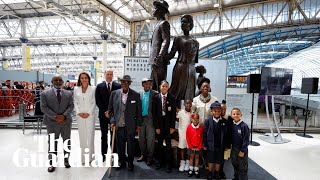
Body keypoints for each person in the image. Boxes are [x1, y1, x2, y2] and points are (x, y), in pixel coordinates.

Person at [40, 75, 74, 173]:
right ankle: (52, 162)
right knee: (52, 143)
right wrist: (56, 117)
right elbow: (44, 108)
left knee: (66, 142)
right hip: (51, 122)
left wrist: (63, 116)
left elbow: (71, 106)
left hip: (66, 121)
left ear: (63, 82)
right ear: (52, 81)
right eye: (56, 80)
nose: (58, 81)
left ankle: (66, 160)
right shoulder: (44, 94)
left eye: (60, 80)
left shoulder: (68, 93)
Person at [107, 75, 142, 171]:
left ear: (130, 83)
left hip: (130, 125)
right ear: (120, 83)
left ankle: (130, 162)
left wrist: (138, 125)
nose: (125, 84)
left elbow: (139, 111)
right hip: (119, 125)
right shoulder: (114, 94)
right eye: (123, 82)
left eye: (127, 82)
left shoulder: (136, 95)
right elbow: (110, 110)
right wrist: (112, 120)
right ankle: (121, 161)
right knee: (120, 145)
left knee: (131, 145)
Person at [166, 14, 199, 107]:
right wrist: (163, 57)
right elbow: (172, 54)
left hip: (192, 70)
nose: (182, 24)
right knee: (176, 92)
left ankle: (188, 116)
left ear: (190, 24)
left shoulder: (196, 41)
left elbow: (195, 59)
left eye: (184, 22)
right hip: (181, 68)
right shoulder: (178, 38)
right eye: (181, 22)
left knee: (189, 94)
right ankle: (175, 114)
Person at [95, 69, 121, 161]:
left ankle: (114, 154)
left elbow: (118, 101)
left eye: (111, 74)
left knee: (114, 135)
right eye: (107, 74)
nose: (109, 76)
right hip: (103, 115)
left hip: (113, 116)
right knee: (104, 135)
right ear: (104, 75)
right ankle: (104, 154)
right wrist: (105, 111)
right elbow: (98, 101)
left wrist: (111, 112)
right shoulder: (99, 87)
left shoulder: (118, 86)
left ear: (113, 75)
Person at [203, 101, 231, 180]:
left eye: (219, 111)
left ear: (221, 111)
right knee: (210, 159)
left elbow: (227, 136)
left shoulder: (225, 122)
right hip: (210, 144)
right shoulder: (208, 121)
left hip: (221, 145)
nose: (217, 112)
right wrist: (204, 144)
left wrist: (227, 146)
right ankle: (210, 172)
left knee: (219, 160)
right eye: (215, 111)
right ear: (211, 111)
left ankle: (217, 173)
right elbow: (205, 134)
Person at [153, 80, 176, 173]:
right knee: (159, 145)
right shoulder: (156, 98)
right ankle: (159, 162)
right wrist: (156, 127)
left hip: (168, 125)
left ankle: (168, 164)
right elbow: (154, 113)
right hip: (159, 125)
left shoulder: (172, 98)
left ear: (168, 87)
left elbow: (173, 113)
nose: (164, 88)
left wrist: (172, 127)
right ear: (160, 87)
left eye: (166, 86)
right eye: (163, 86)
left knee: (168, 145)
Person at [73, 72, 96, 164]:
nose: (84, 79)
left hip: (90, 116)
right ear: (79, 79)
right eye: (82, 78)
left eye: (85, 78)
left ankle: (90, 157)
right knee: (82, 136)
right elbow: (75, 101)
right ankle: (83, 158)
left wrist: (89, 113)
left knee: (90, 136)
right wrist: (78, 112)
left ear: (88, 79)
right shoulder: (76, 89)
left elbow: (95, 102)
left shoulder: (93, 89)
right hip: (80, 116)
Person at [149, 0, 170, 91]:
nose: (153, 10)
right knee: (153, 84)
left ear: (160, 10)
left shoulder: (164, 23)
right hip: (155, 60)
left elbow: (166, 40)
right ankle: (155, 104)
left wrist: (160, 56)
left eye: (155, 8)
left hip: (159, 60)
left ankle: (160, 104)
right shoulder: (158, 24)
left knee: (159, 85)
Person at [137, 77, 158, 166]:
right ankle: (143, 155)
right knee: (141, 139)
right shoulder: (139, 94)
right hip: (141, 120)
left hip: (150, 120)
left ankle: (150, 157)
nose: (147, 85)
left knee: (150, 140)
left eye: (149, 83)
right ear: (142, 84)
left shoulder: (155, 94)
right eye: (145, 83)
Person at [231, 108, 249, 180]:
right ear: (231, 115)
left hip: (241, 150)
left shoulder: (244, 126)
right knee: (235, 164)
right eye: (234, 114)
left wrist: (242, 150)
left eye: (238, 114)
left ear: (241, 115)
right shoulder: (232, 125)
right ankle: (236, 177)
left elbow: (246, 140)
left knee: (243, 167)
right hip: (234, 149)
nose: (236, 115)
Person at [176, 99, 192, 172]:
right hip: (182, 133)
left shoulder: (193, 113)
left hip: (190, 134)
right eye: (187, 103)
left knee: (189, 148)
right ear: (184, 104)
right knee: (182, 147)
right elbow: (176, 119)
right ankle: (182, 162)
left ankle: (188, 162)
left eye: (190, 104)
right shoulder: (180, 112)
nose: (188, 105)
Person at [186, 113, 204, 178]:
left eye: (197, 119)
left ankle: (196, 169)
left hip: (198, 147)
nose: (195, 120)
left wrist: (199, 146)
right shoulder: (189, 127)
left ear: (198, 120)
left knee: (197, 157)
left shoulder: (201, 128)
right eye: (194, 119)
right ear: (191, 119)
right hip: (191, 146)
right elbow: (187, 138)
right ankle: (190, 169)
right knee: (191, 157)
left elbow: (202, 138)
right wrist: (190, 146)